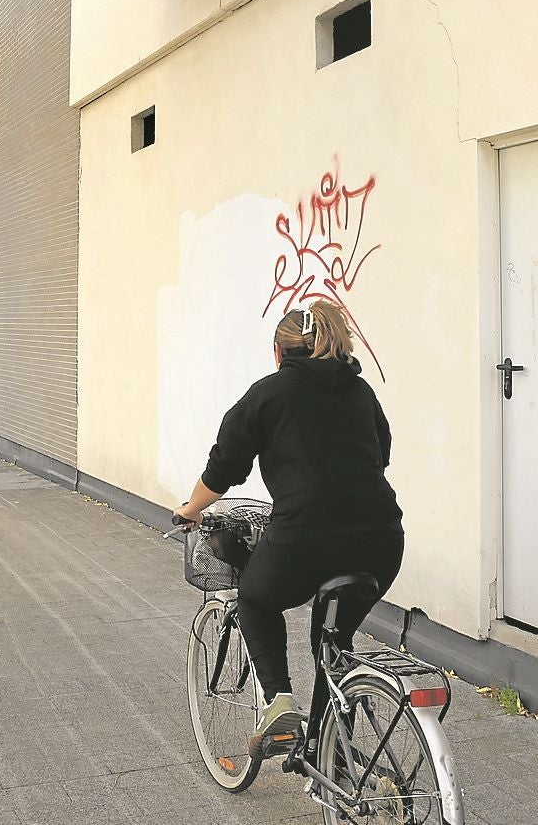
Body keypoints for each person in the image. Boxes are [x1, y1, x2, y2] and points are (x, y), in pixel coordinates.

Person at [174, 299, 404, 758]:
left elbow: (223, 469)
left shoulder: (268, 394)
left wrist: (190, 509)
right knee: (333, 644)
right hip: (382, 540)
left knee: (256, 599)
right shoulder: (361, 392)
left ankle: (279, 701)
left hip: (306, 537)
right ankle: (332, 754)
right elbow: (381, 454)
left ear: (278, 353)